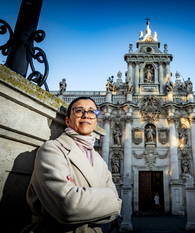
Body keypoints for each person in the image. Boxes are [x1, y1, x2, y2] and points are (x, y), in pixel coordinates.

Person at [22, 96, 122, 233]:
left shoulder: (100, 160)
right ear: (68, 121)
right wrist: (107, 200)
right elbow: (68, 207)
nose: (86, 115)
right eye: (79, 111)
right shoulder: (51, 149)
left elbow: (117, 206)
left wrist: (83, 197)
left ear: (95, 122)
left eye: (92, 112)